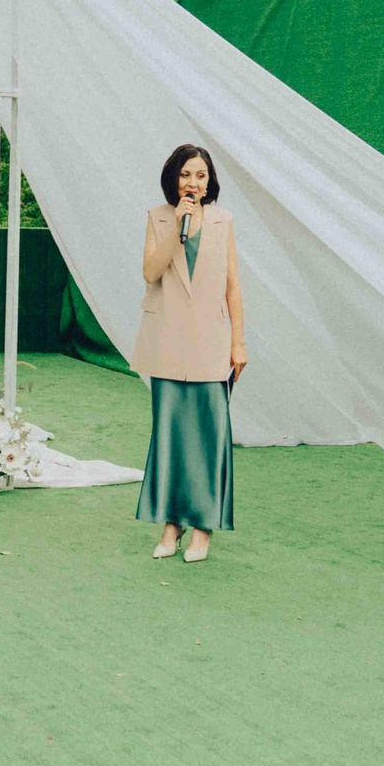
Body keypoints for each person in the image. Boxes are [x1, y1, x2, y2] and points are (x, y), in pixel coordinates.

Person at [130, 143, 245, 562]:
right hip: (168, 342)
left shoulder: (223, 221)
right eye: (185, 175)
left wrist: (238, 342)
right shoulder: (158, 218)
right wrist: (176, 226)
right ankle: (171, 523)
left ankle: (203, 527)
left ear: (210, 180)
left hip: (211, 342)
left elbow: (232, 286)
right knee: (171, 435)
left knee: (209, 436)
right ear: (173, 178)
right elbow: (150, 272)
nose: (193, 183)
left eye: (200, 175)